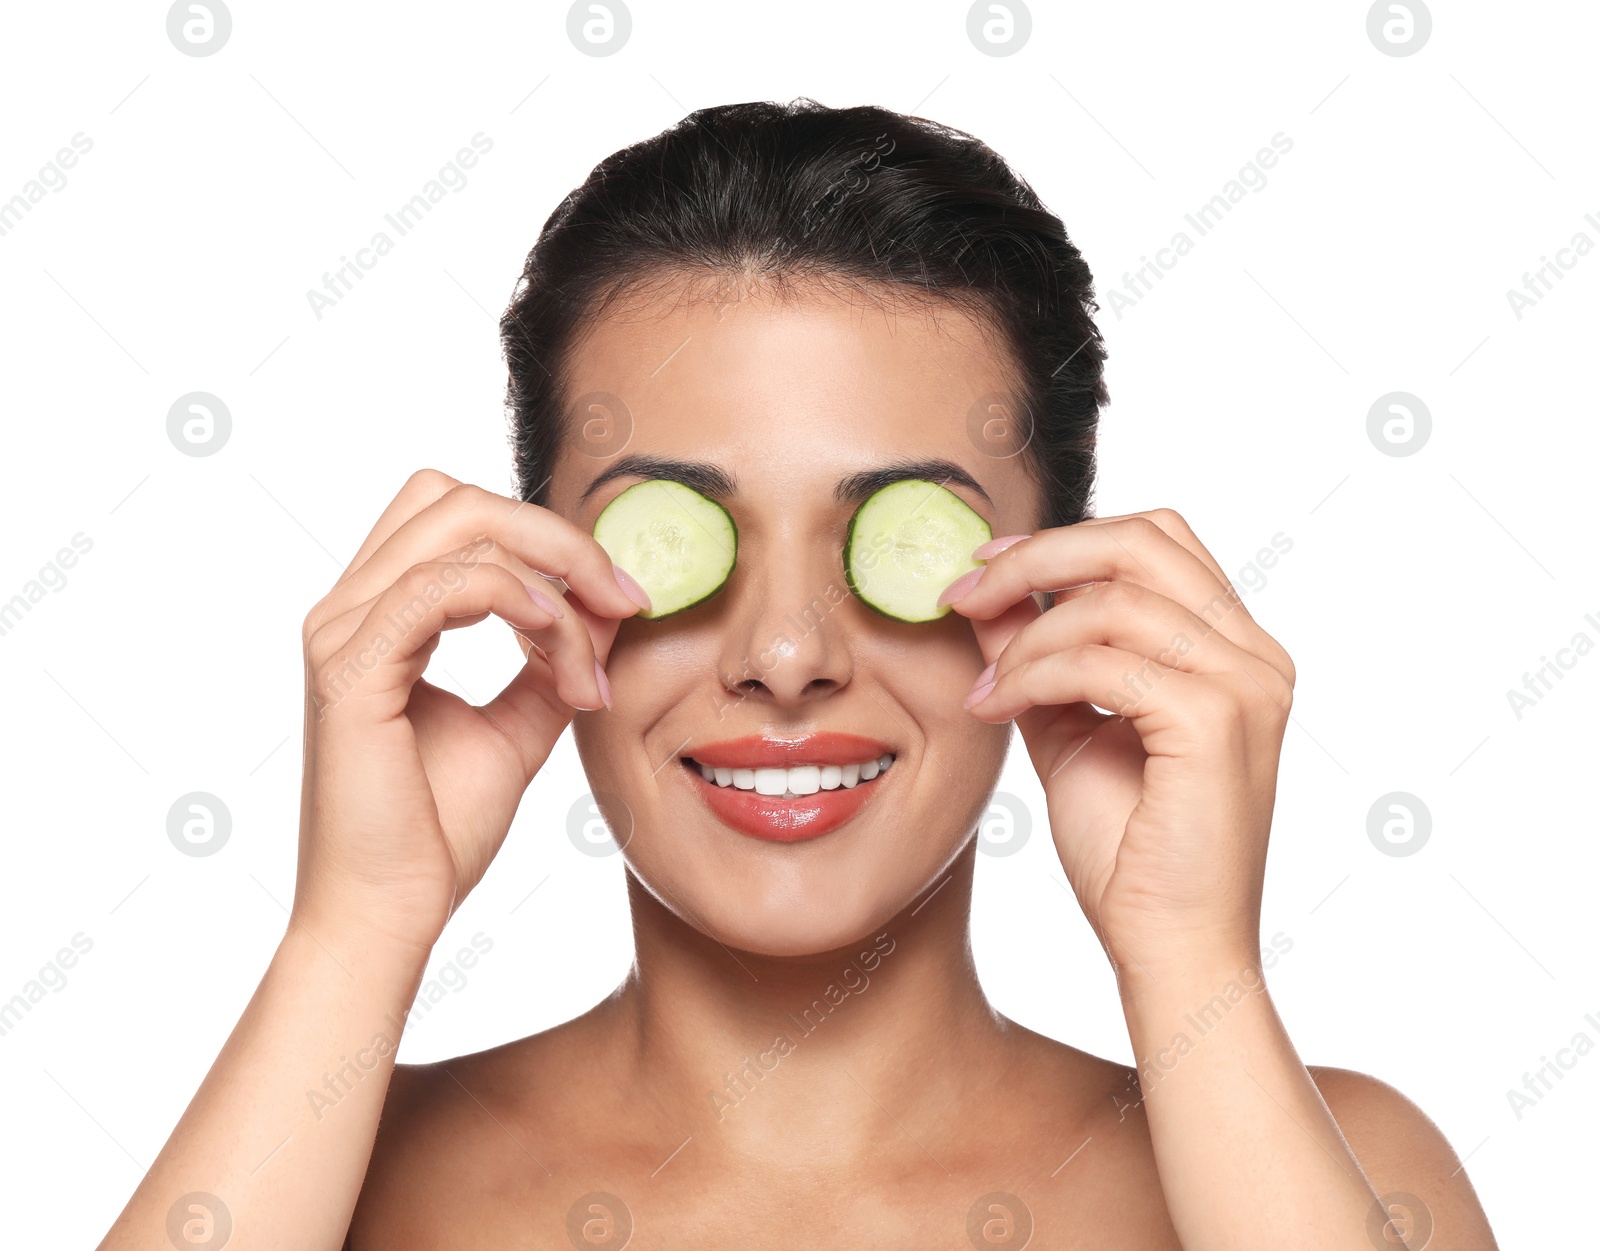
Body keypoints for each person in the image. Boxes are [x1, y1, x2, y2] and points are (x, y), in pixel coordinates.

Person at [100, 99, 1498, 1250]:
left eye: (892, 533)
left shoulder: (1353, 1175)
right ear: (537, 576)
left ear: (1060, 591)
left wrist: (1196, 973)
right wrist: (352, 936)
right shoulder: (328, 1179)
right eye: (681, 532)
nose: (784, 657)